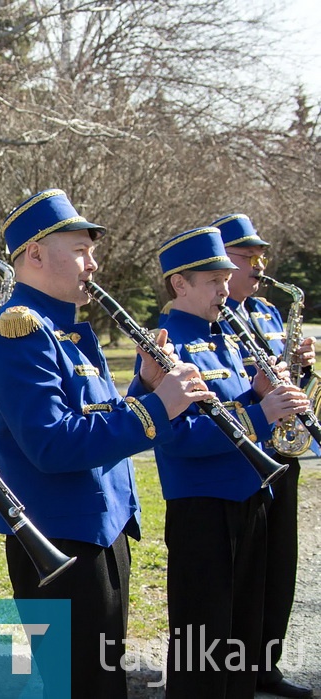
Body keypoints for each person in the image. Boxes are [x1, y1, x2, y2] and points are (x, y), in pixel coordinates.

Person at [0, 189, 209, 697]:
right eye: (80, 250)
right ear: (34, 253)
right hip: (58, 537)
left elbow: (96, 419)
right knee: (77, 684)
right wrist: (158, 407)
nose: (93, 264)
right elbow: (53, 445)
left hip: (101, 528)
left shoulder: (66, 328)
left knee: (101, 678)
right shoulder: (22, 332)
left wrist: (145, 388)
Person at [149, 226, 309, 698]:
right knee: (203, 639)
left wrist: (264, 391)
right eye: (214, 281)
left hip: (249, 495)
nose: (226, 289)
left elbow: (231, 405)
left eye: (226, 280)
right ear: (180, 284)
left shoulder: (227, 335)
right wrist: (261, 412)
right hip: (202, 504)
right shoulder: (167, 341)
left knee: (242, 627)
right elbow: (176, 438)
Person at [212, 213, 316, 699]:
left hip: (283, 450)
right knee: (246, 569)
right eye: (244, 256)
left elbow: (290, 386)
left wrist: (304, 373)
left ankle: (265, 667)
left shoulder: (271, 314)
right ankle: (233, 670)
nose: (256, 265)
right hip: (246, 453)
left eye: (258, 256)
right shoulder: (215, 317)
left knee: (280, 562)